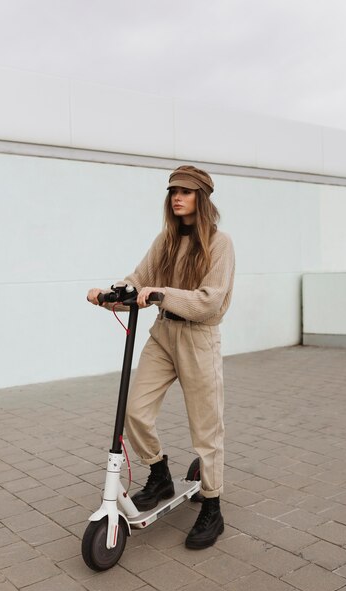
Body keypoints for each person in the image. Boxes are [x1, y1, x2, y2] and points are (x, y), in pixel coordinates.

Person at [87, 165, 235, 549]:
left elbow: (210, 301)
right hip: (164, 334)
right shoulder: (166, 240)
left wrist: (161, 293)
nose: (177, 197)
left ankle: (212, 505)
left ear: (202, 198)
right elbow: (139, 279)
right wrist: (109, 294)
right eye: (172, 192)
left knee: (206, 427)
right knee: (134, 411)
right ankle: (159, 473)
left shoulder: (220, 244)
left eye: (185, 192)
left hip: (199, 339)